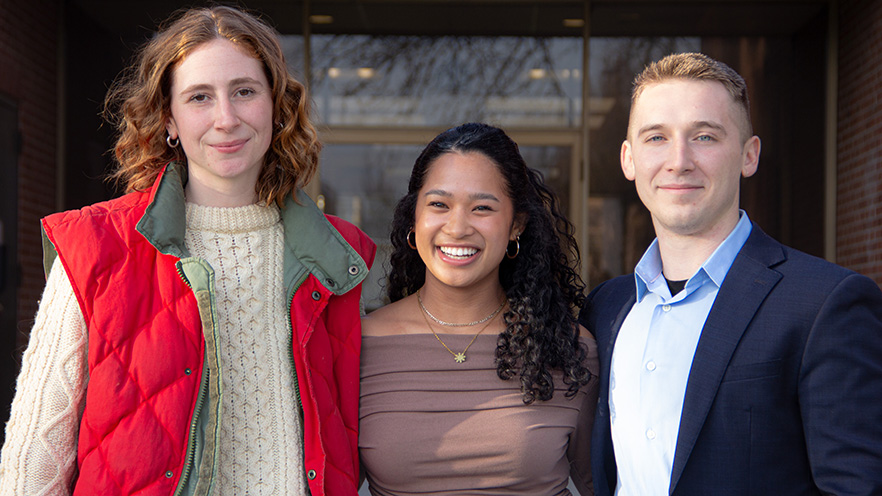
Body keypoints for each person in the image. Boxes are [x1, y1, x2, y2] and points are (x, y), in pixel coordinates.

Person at [0, 6, 375, 495]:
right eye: (200, 97)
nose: (226, 118)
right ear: (168, 119)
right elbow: (34, 460)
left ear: (277, 107)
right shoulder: (98, 245)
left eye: (244, 91)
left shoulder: (341, 256)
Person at [580, 52, 882, 496]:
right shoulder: (607, 308)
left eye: (704, 136)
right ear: (629, 159)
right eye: (656, 138)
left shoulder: (826, 304)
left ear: (748, 154)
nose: (678, 160)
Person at [358, 122, 599, 495]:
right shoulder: (359, 345)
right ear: (414, 217)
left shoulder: (567, 347)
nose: (456, 228)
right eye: (439, 204)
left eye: (482, 208)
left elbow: (602, 483)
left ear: (516, 224)